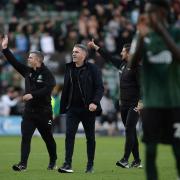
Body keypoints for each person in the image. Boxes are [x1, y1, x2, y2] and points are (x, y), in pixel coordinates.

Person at [129, 0, 180, 179]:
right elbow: (132, 63)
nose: (149, 16)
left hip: (174, 103)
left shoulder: (176, 32)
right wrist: (142, 37)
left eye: (152, 12)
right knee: (150, 151)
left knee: (178, 150)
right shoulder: (142, 35)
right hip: (151, 104)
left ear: (163, 13)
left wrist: (162, 31)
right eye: (147, 12)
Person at [1, 35, 57, 171]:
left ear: (38, 60)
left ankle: (53, 160)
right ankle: (23, 164)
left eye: (30, 57)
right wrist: (5, 49)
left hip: (44, 113)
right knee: (25, 138)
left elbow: (49, 88)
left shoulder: (47, 73)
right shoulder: (27, 71)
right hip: (29, 113)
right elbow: (14, 62)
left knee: (48, 138)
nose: (28, 59)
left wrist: (32, 95)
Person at [88, 40, 142, 168]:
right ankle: (137, 160)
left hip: (134, 104)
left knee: (129, 129)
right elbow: (109, 57)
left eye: (123, 51)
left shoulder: (137, 68)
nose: (121, 53)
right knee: (131, 131)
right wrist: (96, 47)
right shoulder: (122, 65)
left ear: (129, 53)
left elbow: (143, 86)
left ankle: (125, 159)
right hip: (123, 104)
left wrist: (141, 101)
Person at [58, 44, 104, 173]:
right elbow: (66, 90)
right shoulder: (69, 68)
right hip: (72, 109)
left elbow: (100, 87)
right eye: (73, 51)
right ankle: (67, 164)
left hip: (88, 109)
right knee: (69, 135)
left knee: (90, 137)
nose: (73, 54)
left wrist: (95, 102)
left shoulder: (93, 68)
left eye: (76, 52)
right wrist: (63, 108)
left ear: (84, 55)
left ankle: (90, 165)